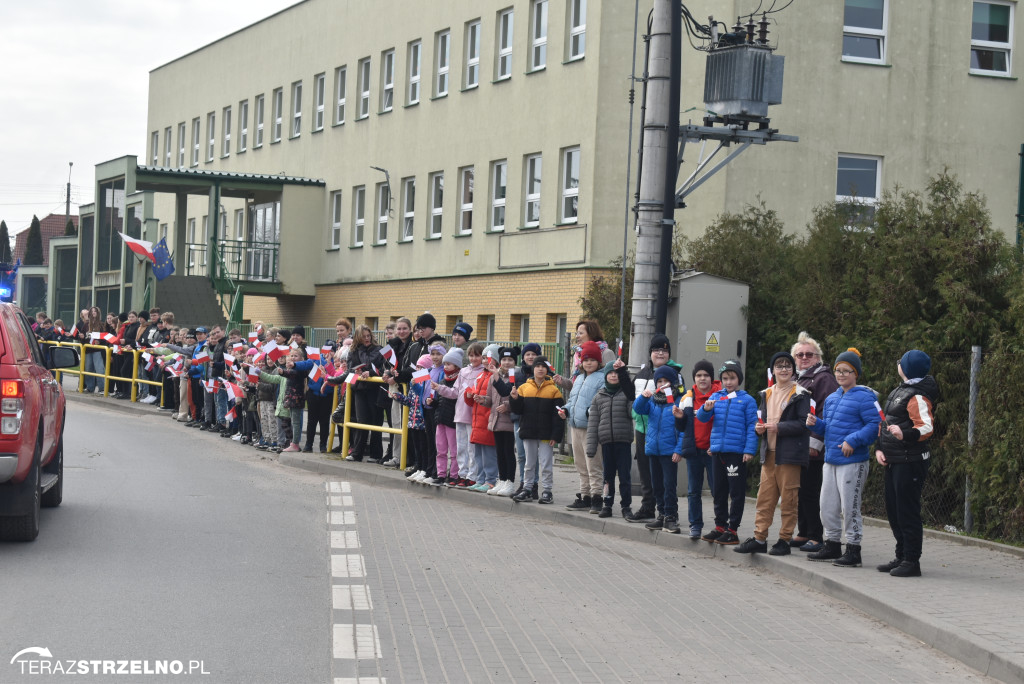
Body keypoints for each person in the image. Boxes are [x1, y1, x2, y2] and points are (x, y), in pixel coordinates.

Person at [805, 348, 880, 567]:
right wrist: (816, 424)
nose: (841, 375)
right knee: (827, 505)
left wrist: (853, 441)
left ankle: (854, 549)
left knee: (850, 507)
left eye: (846, 371)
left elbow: (875, 426)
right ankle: (832, 544)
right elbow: (830, 427)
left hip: (853, 462)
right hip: (831, 460)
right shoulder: (831, 398)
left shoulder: (865, 397)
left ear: (855, 374)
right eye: (838, 370)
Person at [735, 352, 812, 556]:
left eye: (788, 366)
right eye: (779, 366)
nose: (784, 369)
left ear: (793, 370)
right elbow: (761, 421)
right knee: (764, 499)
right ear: (773, 370)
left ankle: (784, 540)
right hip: (768, 454)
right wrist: (758, 429)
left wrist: (780, 427)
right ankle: (759, 538)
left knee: (789, 500)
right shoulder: (766, 393)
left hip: (790, 456)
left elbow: (804, 423)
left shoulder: (801, 393)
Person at [876, 350, 938, 578]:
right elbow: (885, 423)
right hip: (893, 459)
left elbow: (926, 427)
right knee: (894, 510)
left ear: (907, 369)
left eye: (900, 362)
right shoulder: (899, 391)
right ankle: (901, 555)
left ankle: (912, 561)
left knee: (907, 511)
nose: (898, 365)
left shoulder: (918, 396)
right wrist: (879, 449)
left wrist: (905, 434)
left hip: (910, 461)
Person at [696, 359, 758, 545]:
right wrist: (706, 410)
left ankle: (733, 529)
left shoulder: (747, 400)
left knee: (736, 492)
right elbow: (701, 417)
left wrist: (748, 450)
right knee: (719, 491)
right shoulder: (716, 397)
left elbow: (752, 426)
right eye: (725, 378)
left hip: (736, 453)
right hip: (717, 452)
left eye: (732, 378)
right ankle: (720, 526)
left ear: (739, 379)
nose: (728, 382)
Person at [791, 331, 840, 552]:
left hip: (813, 447)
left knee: (812, 491)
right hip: (797, 445)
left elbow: (825, 412)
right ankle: (803, 532)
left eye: (809, 354)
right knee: (800, 490)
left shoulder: (823, 378)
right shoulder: (797, 378)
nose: (804, 358)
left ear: (818, 357)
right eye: (799, 354)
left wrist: (815, 443)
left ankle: (816, 535)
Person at [628, 334, 684, 523]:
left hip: (667, 436)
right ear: (650, 353)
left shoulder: (675, 373)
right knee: (646, 472)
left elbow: (681, 408)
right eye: (656, 350)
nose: (660, 353)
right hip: (646, 431)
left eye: (664, 350)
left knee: (667, 481)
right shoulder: (643, 373)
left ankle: (669, 512)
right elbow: (633, 400)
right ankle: (649, 506)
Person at [562, 341, 613, 514]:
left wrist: (589, 413)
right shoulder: (579, 379)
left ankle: (597, 498)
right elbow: (572, 400)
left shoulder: (602, 378)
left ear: (599, 361)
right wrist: (565, 410)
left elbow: (600, 402)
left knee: (594, 465)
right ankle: (585, 496)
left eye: (592, 359)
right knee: (580, 464)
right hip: (575, 427)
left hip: (591, 429)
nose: (588, 363)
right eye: (585, 360)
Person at [510, 356, 565, 504]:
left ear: (547, 370)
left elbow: (558, 416)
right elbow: (518, 410)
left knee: (546, 463)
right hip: (529, 432)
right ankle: (527, 489)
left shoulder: (554, 390)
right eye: (537, 366)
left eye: (543, 366)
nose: (540, 369)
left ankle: (547, 491)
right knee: (529, 463)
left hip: (547, 434)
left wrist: (556, 435)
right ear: (532, 369)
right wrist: (514, 399)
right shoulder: (523, 388)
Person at [677, 360, 721, 538]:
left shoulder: (719, 396)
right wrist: (679, 418)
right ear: (694, 378)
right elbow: (681, 428)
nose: (702, 379)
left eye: (706, 375)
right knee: (693, 491)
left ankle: (720, 525)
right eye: (699, 375)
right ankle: (695, 525)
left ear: (712, 377)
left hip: (713, 452)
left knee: (717, 490)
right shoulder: (687, 398)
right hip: (694, 451)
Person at [585, 362, 634, 518]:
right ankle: (607, 504)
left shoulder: (626, 394)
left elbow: (632, 412)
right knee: (608, 477)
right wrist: (591, 447)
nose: (614, 375)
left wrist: (631, 394)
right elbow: (593, 424)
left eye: (616, 373)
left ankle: (626, 506)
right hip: (606, 443)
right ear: (605, 376)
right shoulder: (598, 397)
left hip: (624, 442)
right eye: (610, 373)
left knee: (625, 477)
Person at [346, 325, 385, 462]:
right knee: (361, 420)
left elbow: (381, 366)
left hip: (375, 388)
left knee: (375, 421)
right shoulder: (353, 350)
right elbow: (350, 369)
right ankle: (357, 452)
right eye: (364, 336)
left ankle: (376, 453)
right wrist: (355, 372)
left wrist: (372, 372)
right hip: (359, 389)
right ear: (358, 337)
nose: (367, 338)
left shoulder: (379, 349)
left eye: (369, 335)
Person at [432, 348, 463, 486]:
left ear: (456, 366)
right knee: (441, 449)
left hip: (452, 420)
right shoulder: (443, 381)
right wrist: (432, 402)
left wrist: (439, 389)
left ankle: (454, 475)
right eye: (445, 364)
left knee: (454, 450)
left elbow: (453, 395)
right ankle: (441, 474)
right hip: (441, 419)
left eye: (449, 364)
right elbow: (439, 400)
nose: (445, 367)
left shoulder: (459, 380)